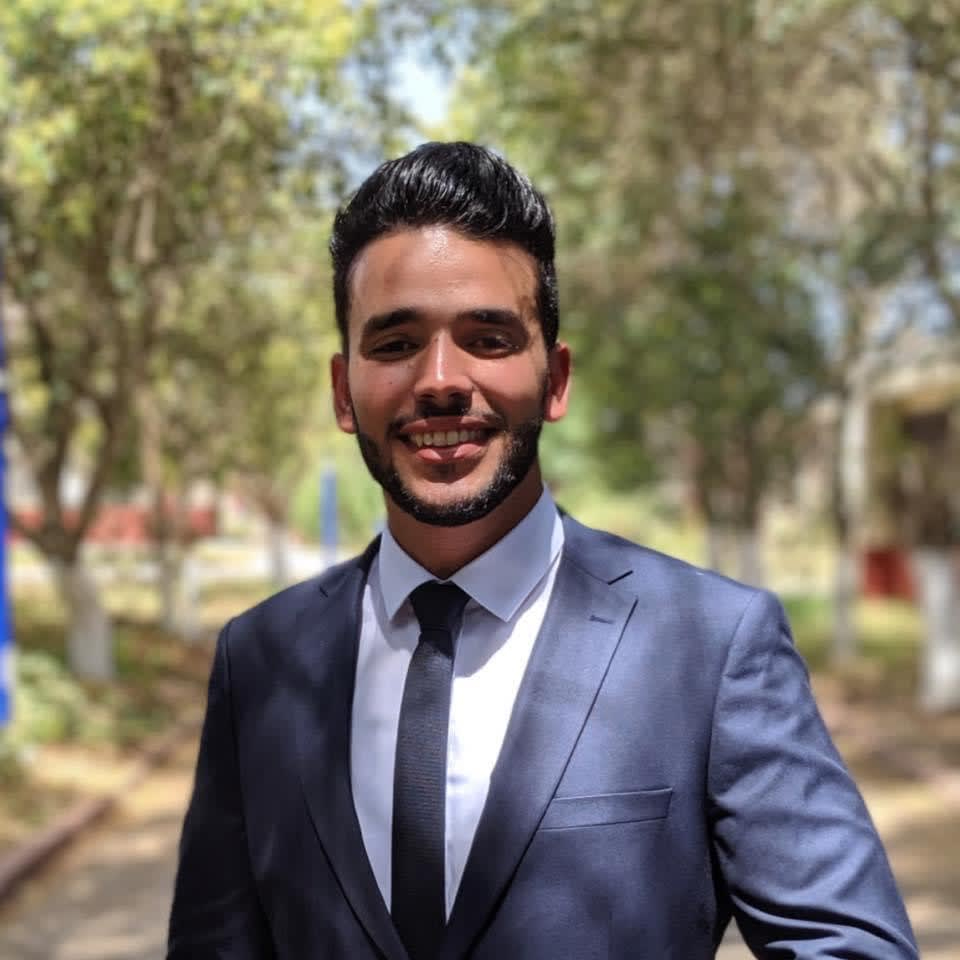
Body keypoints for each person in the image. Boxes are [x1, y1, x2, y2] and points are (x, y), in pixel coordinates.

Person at [167, 142, 918, 959]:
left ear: (555, 380)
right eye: (395, 343)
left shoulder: (709, 646)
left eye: (487, 338)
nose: (440, 379)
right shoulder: (261, 660)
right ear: (343, 390)